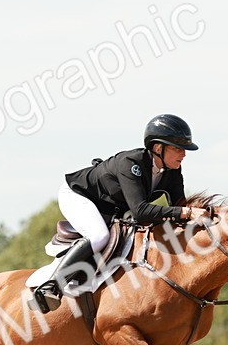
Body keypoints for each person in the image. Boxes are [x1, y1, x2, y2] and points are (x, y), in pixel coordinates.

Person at [29, 114, 212, 313]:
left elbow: (179, 205)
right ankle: (51, 286)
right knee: (99, 236)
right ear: (158, 148)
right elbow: (141, 211)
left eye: (184, 149)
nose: (183, 154)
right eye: (178, 148)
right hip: (78, 195)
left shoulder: (173, 171)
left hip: (110, 207)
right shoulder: (131, 163)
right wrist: (186, 212)